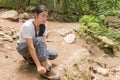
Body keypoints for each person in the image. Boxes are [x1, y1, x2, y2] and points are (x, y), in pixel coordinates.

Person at [16, 5, 60, 80]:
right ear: (36, 15)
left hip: (35, 45)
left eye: (46, 16)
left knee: (54, 54)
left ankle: (31, 59)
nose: (45, 19)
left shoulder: (44, 26)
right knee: (39, 40)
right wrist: (39, 65)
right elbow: (30, 46)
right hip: (23, 47)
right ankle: (45, 70)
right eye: (43, 16)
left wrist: (46, 59)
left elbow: (43, 43)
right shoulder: (27, 26)